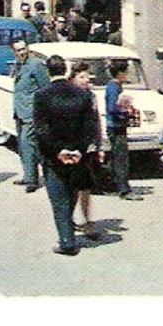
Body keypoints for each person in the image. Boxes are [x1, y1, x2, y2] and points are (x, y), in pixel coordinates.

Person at [33, 55, 100, 255]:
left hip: (54, 158)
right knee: (71, 193)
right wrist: (78, 150)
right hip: (78, 156)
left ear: (48, 71)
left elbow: (41, 129)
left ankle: (67, 241)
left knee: (58, 198)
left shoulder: (41, 96)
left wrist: (58, 150)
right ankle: (67, 232)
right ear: (65, 70)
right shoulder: (82, 95)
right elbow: (89, 127)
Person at [10, 37, 51, 192]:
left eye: (23, 49)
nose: (22, 52)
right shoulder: (18, 65)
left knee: (28, 144)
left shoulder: (35, 65)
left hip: (31, 112)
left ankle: (32, 180)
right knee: (22, 145)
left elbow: (44, 88)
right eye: (18, 50)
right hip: (20, 111)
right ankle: (28, 175)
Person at [68, 62, 103, 239]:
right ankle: (69, 218)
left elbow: (96, 121)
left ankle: (87, 221)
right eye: (82, 76)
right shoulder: (68, 96)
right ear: (73, 78)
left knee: (85, 186)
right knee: (74, 186)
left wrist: (100, 145)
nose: (86, 80)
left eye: (87, 76)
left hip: (88, 147)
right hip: (72, 148)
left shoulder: (91, 96)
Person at [104, 58, 140, 200]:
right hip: (116, 125)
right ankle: (123, 189)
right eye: (126, 72)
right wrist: (126, 112)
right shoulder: (114, 87)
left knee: (116, 157)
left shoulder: (115, 86)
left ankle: (114, 184)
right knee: (121, 158)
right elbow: (112, 108)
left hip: (116, 125)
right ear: (120, 73)